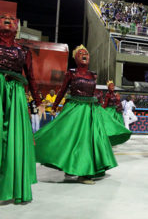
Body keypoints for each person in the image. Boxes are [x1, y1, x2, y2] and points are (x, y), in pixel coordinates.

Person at [34, 45, 131, 185]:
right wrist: (54, 106)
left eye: (86, 52)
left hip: (89, 110)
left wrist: (98, 108)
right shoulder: (71, 73)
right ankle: (70, 166)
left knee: (86, 141)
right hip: (74, 109)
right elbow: (62, 90)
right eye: (80, 53)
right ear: (75, 58)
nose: (84, 54)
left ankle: (83, 172)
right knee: (69, 138)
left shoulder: (93, 75)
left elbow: (94, 93)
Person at [0, 9, 42, 203]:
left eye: (11, 19)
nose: (8, 20)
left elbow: (32, 79)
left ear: (17, 27)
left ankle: (10, 184)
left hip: (16, 95)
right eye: (3, 18)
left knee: (13, 140)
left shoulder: (23, 51)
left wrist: (39, 102)